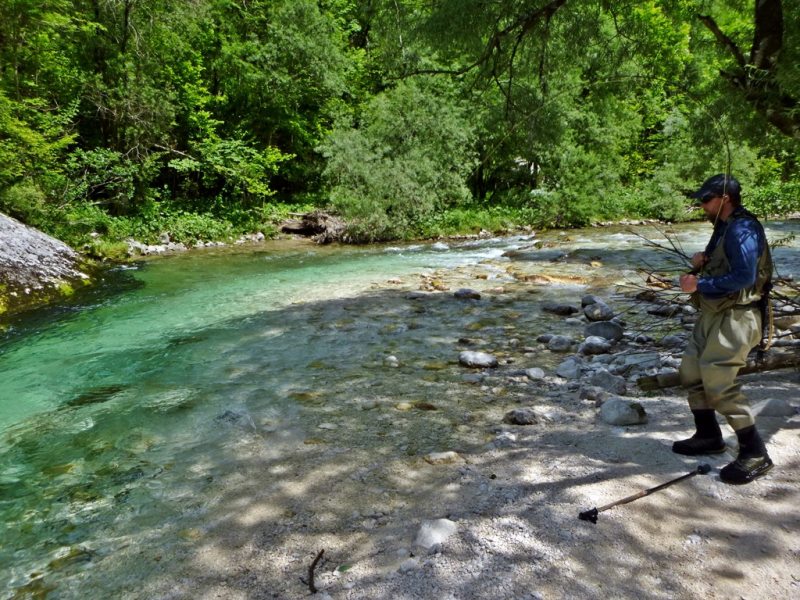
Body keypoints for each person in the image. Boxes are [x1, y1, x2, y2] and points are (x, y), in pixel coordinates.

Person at [674, 173, 773, 484]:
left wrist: (699, 283)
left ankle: (755, 452)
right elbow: (723, 265)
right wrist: (700, 262)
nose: (701, 205)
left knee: (718, 383)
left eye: (706, 200)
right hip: (712, 315)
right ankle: (708, 436)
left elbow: (744, 277)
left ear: (725, 199)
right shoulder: (723, 227)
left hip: (737, 317)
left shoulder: (743, 229)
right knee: (691, 372)